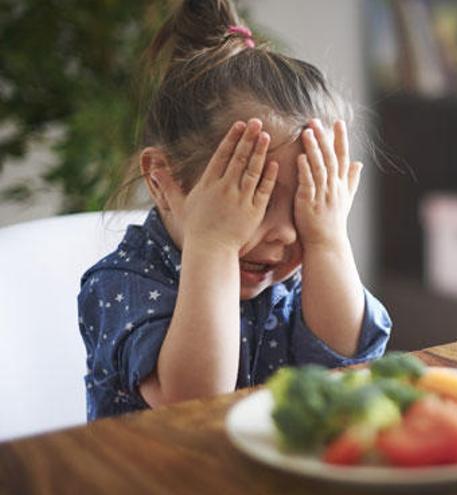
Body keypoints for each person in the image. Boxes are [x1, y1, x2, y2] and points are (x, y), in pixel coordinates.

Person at [77, 0, 391, 420]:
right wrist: (215, 244)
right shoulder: (122, 282)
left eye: (304, 205)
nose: (285, 233)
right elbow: (193, 401)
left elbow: (348, 362)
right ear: (161, 180)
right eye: (255, 198)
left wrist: (327, 238)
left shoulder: (298, 272)